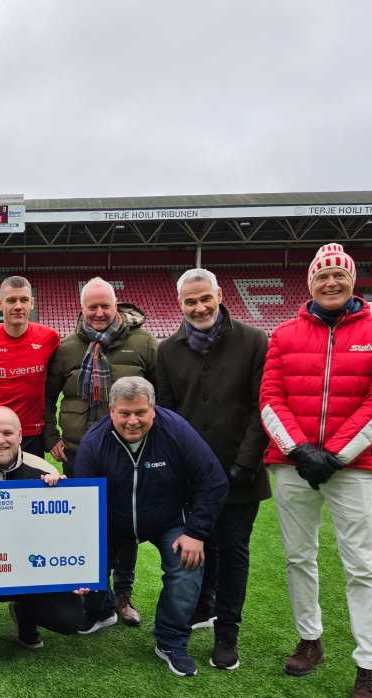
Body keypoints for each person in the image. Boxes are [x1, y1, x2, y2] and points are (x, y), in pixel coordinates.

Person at [260, 243, 372, 698]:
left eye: (340, 275)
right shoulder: (282, 335)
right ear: (310, 282)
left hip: (352, 468)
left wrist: (335, 455)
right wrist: (300, 450)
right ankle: (309, 640)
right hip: (294, 463)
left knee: (361, 564)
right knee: (299, 557)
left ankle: (368, 665)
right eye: (323, 276)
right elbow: (270, 399)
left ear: (352, 280)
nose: (331, 282)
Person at [154, 268, 270, 670]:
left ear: (220, 295)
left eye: (205, 298)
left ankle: (227, 632)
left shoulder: (254, 341)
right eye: (190, 301)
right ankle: (202, 607)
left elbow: (262, 407)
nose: (199, 307)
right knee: (200, 544)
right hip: (191, 475)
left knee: (234, 549)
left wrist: (246, 462)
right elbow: (166, 416)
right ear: (180, 304)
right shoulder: (166, 351)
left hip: (242, 470)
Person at [76, 376, 228, 677]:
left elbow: (213, 480)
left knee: (187, 565)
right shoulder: (94, 442)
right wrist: (83, 551)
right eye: (125, 413)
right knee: (86, 563)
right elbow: (83, 501)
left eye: (140, 412)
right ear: (111, 410)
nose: (133, 421)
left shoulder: (177, 431)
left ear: (153, 409)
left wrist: (196, 532)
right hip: (111, 520)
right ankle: (103, 610)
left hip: (167, 519)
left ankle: (170, 641)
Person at [43, 276, 158, 629]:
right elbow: (47, 397)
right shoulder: (66, 348)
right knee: (84, 528)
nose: (98, 312)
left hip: (131, 452)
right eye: (91, 306)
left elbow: (162, 398)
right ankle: (95, 596)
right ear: (81, 308)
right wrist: (51, 437)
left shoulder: (144, 342)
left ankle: (123, 595)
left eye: (104, 305)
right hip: (80, 452)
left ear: (116, 304)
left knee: (126, 525)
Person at [0, 406, 88, 664]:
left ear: (20, 436)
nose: (1, 440)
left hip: (31, 568)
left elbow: (66, 532)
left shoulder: (43, 472)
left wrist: (77, 573)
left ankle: (25, 613)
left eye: (8, 433)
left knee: (70, 619)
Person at [0, 276, 60, 460]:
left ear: (32, 303)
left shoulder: (49, 338)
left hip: (31, 434)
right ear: (0, 304)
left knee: (29, 489)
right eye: (11, 300)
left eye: (24, 300)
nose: (18, 306)